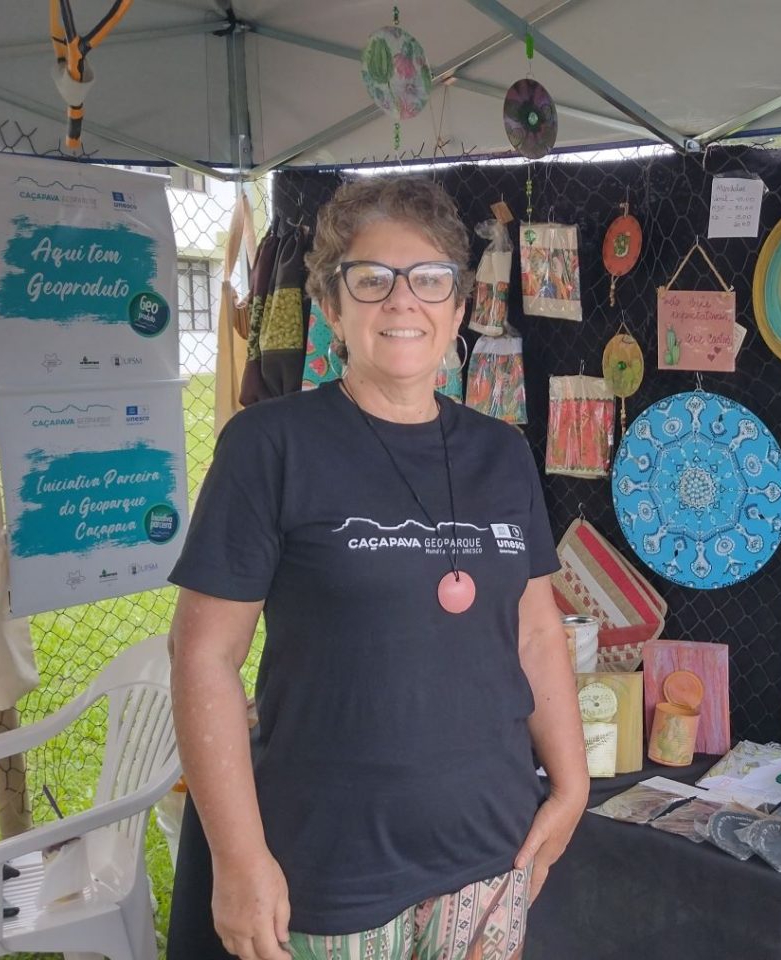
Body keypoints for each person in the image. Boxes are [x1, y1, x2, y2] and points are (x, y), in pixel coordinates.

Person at [167, 174, 588, 960]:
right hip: (329, 869)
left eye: (429, 280)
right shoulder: (270, 446)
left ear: (458, 308)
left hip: (491, 854)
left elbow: (535, 632)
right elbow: (204, 657)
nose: (402, 301)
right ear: (332, 305)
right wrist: (238, 856)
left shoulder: (501, 454)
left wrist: (571, 785)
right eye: (371, 279)